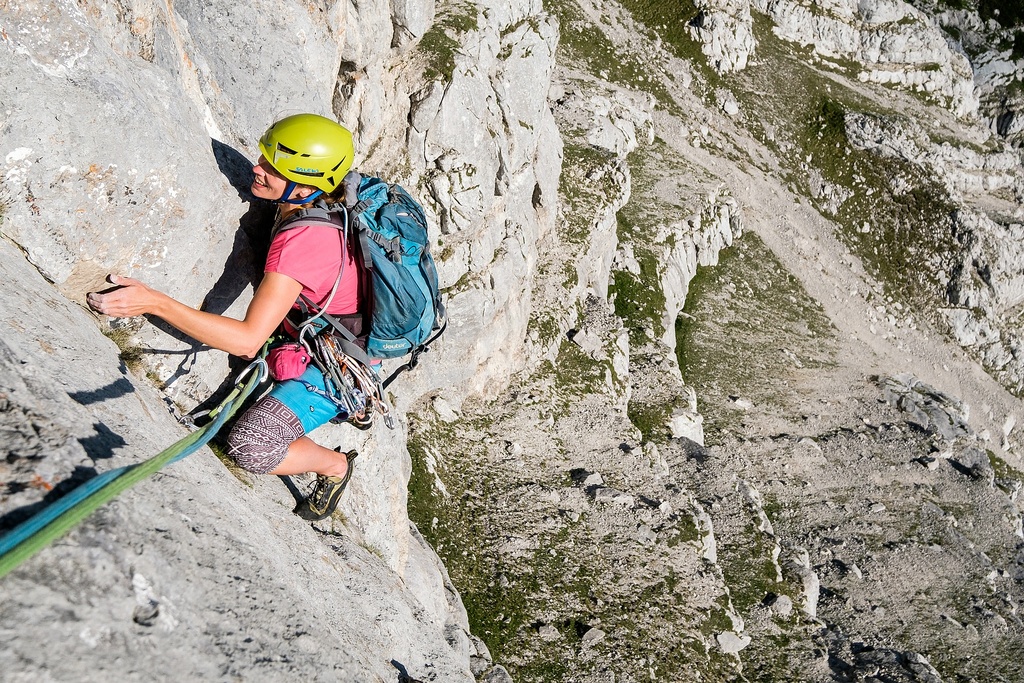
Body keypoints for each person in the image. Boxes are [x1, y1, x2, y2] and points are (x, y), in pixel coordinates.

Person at [87, 113, 367, 521]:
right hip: (318, 327)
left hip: (339, 360)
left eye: (274, 167)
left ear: (307, 183)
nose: (258, 168)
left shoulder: (303, 240)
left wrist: (155, 302)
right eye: (264, 156)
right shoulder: (310, 204)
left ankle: (334, 466)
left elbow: (247, 340)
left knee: (250, 446)